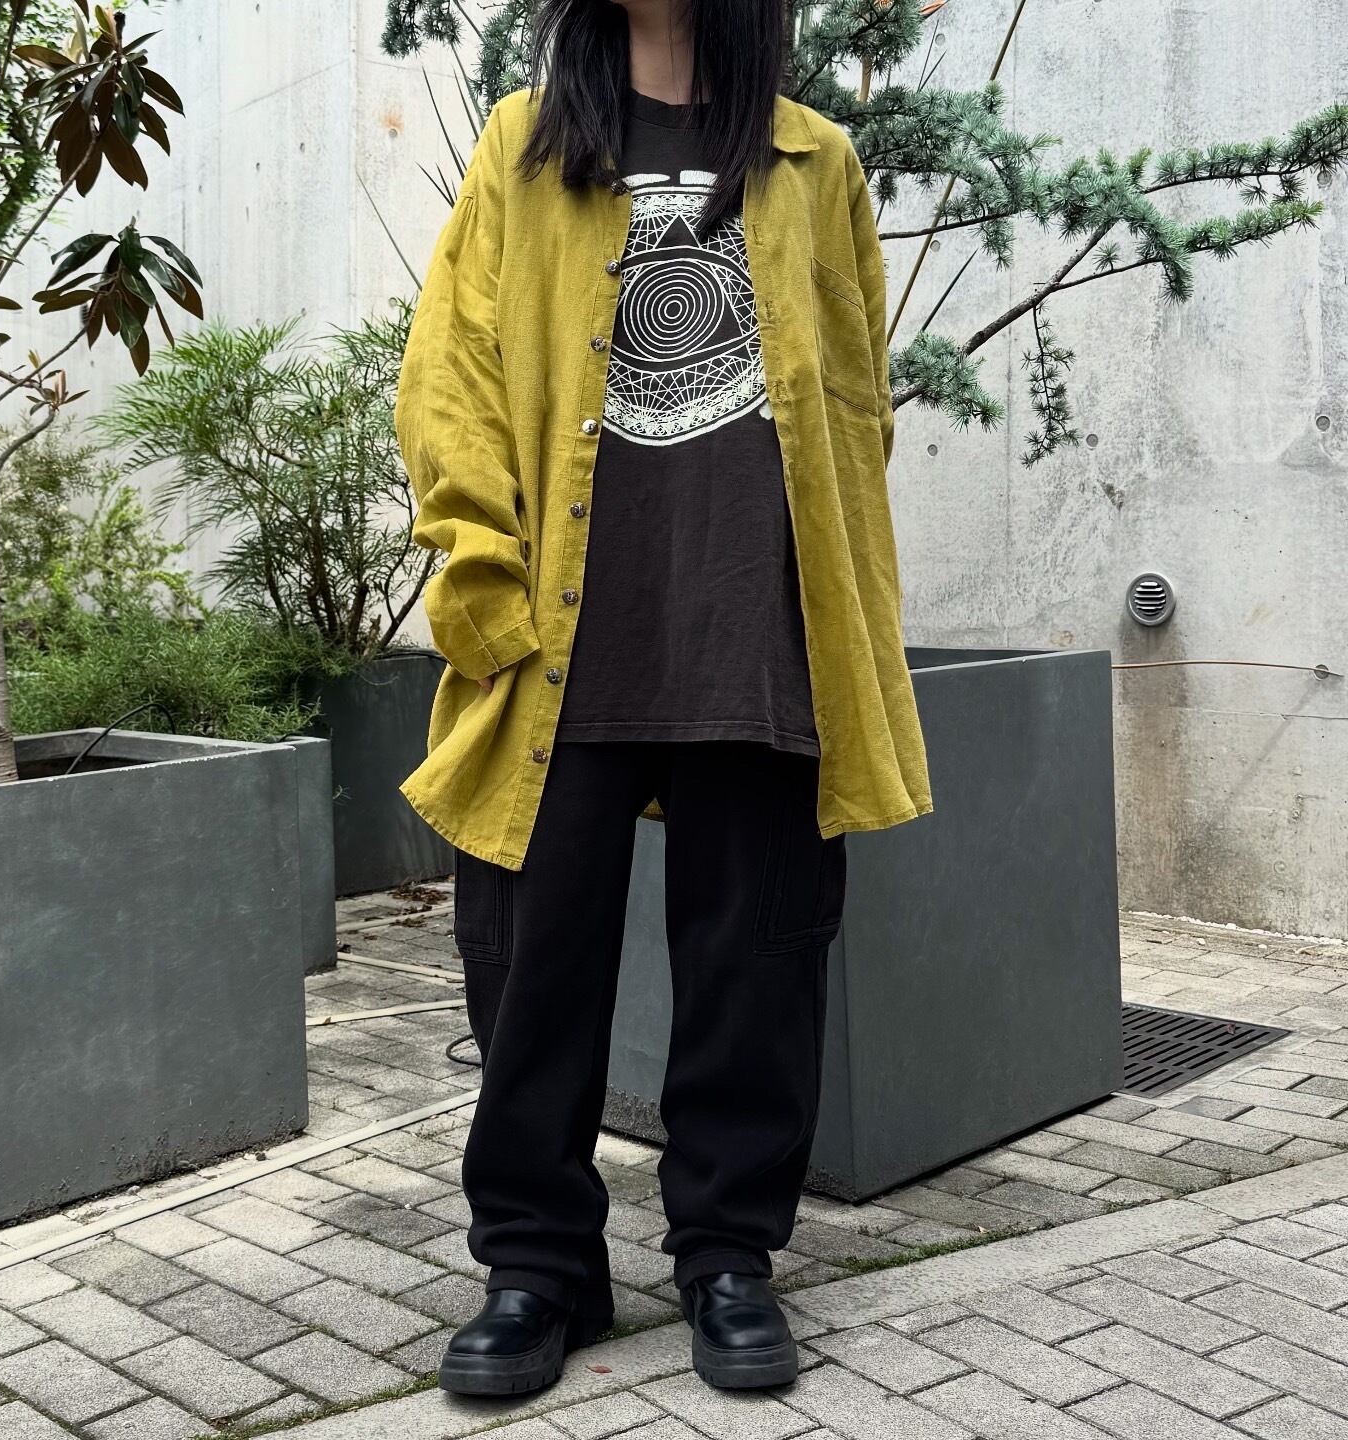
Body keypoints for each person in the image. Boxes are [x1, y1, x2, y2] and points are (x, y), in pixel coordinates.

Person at [394, 0, 933, 1398]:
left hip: (755, 616)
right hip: (561, 628)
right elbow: (448, 371)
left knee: (757, 958)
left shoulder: (813, 159)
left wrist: (834, 599)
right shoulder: (524, 144)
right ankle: (538, 1269)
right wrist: (480, 568)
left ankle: (729, 1257)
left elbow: (858, 399)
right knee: (530, 961)